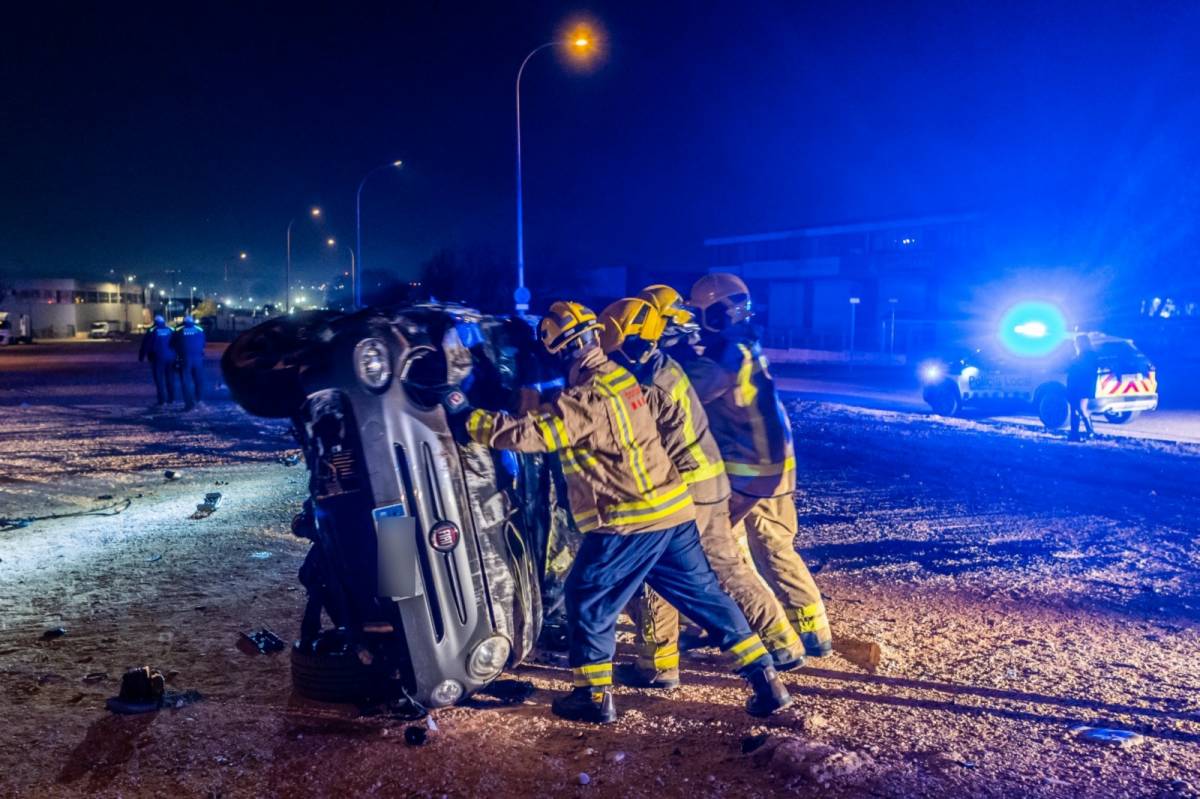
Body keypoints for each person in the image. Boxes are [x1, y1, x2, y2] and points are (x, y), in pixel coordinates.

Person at [456, 300, 792, 723]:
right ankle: (765, 678)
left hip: (628, 520)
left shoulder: (589, 396)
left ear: (561, 350)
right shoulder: (618, 379)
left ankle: (594, 698)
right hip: (672, 512)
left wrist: (470, 421)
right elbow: (584, 410)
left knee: (587, 599)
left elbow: (537, 434)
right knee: (706, 597)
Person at [598, 296, 805, 689]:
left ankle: (658, 666)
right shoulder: (676, 367)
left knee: (658, 570)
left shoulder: (654, 380)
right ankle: (782, 644)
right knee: (725, 567)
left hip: (686, 489)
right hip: (708, 483)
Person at [682, 273, 833, 658]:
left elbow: (684, 391)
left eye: (699, 314)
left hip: (745, 475)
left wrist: (671, 355)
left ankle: (772, 637)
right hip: (777, 469)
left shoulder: (724, 357)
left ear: (713, 313)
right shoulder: (747, 343)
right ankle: (814, 633)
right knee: (776, 547)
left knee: (725, 554)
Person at [138, 315, 177, 406]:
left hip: (157, 358)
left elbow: (145, 345)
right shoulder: (171, 330)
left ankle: (162, 400)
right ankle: (171, 399)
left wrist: (141, 356)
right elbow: (177, 342)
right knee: (170, 379)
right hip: (171, 358)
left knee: (159, 380)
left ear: (155, 322)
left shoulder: (152, 330)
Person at [1066, 333, 1099, 441]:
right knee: (1074, 409)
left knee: (1081, 408)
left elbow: (1086, 370)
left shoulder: (1090, 355)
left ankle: (1090, 432)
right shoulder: (1080, 355)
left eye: (1077, 342)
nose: (1076, 344)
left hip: (1083, 385)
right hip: (1075, 385)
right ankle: (1074, 434)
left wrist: (1074, 363)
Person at [172, 315, 207, 411]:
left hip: (185, 358)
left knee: (186, 381)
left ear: (184, 321)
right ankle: (199, 400)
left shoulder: (179, 329)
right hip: (198, 358)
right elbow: (204, 342)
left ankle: (189, 403)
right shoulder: (199, 329)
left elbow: (173, 343)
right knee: (199, 380)